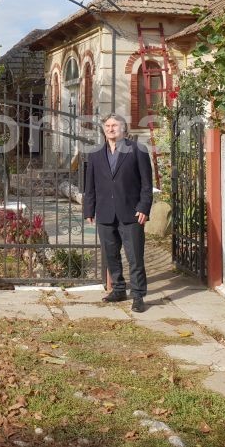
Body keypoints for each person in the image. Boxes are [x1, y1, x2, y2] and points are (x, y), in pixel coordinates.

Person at [83, 114, 153, 312]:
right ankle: (119, 289)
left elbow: (146, 184)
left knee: (135, 257)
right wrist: (89, 209)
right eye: (107, 125)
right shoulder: (96, 154)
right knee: (111, 255)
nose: (110, 129)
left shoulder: (137, 150)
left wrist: (143, 207)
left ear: (124, 128)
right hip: (105, 212)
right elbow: (90, 186)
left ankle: (138, 295)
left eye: (114, 125)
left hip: (132, 213)